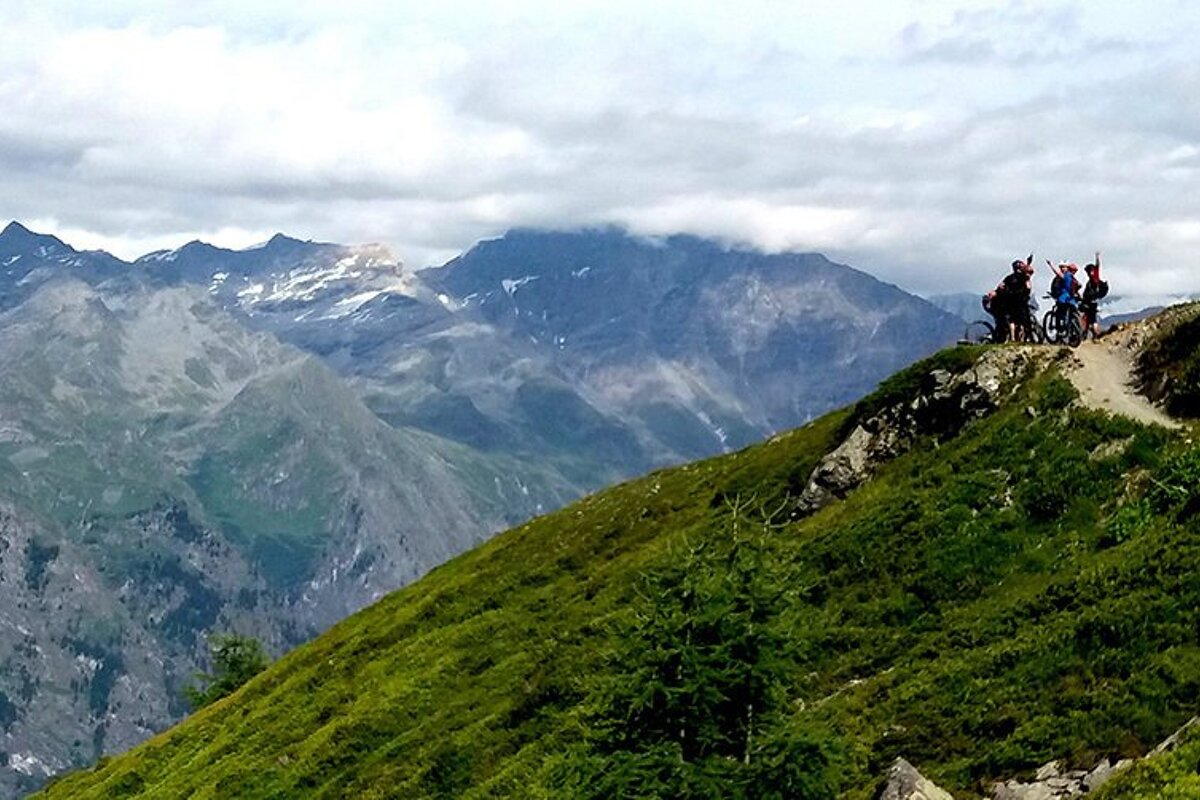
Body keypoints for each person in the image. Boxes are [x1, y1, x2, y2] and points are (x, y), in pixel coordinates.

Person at [996, 255, 1034, 342]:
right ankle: (1021, 338)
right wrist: (1028, 263)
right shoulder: (1024, 276)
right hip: (1021, 301)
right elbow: (1028, 287)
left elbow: (1000, 286)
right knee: (1022, 321)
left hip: (1010, 301)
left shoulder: (1009, 278)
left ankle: (1012, 338)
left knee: (1012, 320)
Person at [1081, 252, 1109, 338]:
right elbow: (1097, 266)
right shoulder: (1094, 280)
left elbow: (1097, 266)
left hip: (1090, 302)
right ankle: (1093, 334)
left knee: (1090, 319)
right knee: (1092, 319)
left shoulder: (1093, 279)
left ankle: (1093, 334)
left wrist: (1097, 257)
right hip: (1094, 302)